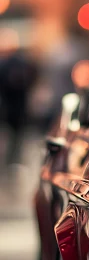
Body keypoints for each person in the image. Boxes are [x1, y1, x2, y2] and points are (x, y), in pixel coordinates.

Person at [0, 29, 37, 174]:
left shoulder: (16, 63)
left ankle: (12, 160)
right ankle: (11, 160)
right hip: (13, 105)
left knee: (16, 135)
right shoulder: (13, 63)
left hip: (15, 105)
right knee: (15, 136)